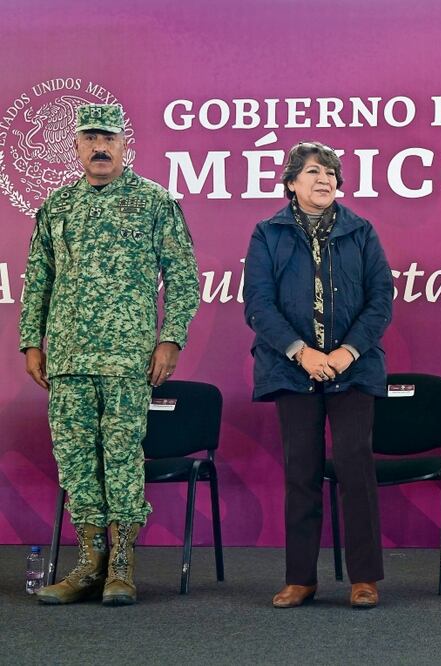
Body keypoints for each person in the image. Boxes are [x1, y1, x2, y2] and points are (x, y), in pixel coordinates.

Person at [19, 104, 200, 606]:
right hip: (69, 358)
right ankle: (88, 561)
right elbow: (38, 278)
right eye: (90, 139)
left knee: (121, 457)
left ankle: (122, 564)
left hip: (127, 358)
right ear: (76, 146)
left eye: (109, 139)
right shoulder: (56, 207)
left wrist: (170, 338)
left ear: (125, 145)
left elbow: (184, 276)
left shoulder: (154, 202)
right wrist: (31, 341)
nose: (100, 147)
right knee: (76, 461)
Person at [244, 141, 392, 609]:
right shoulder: (267, 233)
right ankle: (300, 579)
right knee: (301, 472)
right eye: (313, 171)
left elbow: (380, 300)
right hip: (292, 370)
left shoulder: (361, 231)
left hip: (353, 367)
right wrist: (300, 352)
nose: (325, 178)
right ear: (291, 182)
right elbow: (259, 305)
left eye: (331, 171)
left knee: (355, 464)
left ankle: (364, 578)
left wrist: (347, 352)